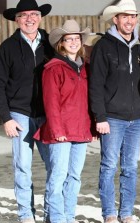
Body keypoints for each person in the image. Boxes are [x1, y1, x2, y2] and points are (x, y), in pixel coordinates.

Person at [88, 0, 140, 222]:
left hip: (136, 119)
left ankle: (126, 213)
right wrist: (100, 116)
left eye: (133, 16)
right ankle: (109, 213)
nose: (130, 20)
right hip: (112, 119)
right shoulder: (103, 47)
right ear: (115, 19)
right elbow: (95, 85)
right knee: (108, 166)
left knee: (130, 167)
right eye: (125, 16)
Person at [0, 0, 54, 222]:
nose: (29, 18)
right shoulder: (8, 47)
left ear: (40, 17)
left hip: (48, 115)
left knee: (54, 166)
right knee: (23, 166)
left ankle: (52, 213)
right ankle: (26, 215)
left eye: (33, 14)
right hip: (19, 114)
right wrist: (6, 118)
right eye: (24, 15)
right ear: (16, 19)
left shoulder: (51, 45)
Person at [33, 19, 95, 223]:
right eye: (69, 39)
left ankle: (68, 217)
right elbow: (50, 102)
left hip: (80, 129)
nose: (74, 42)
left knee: (74, 177)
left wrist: (91, 127)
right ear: (61, 42)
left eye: (77, 38)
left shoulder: (85, 68)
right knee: (57, 177)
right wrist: (57, 129)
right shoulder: (53, 68)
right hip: (60, 132)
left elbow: (88, 100)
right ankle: (57, 219)